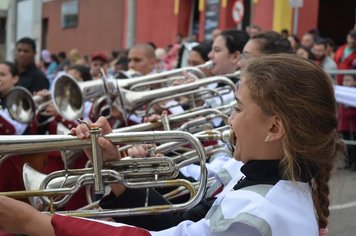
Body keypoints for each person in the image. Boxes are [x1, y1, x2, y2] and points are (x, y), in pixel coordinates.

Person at [0, 53, 343, 236]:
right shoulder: (271, 187)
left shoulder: (256, 213)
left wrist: (36, 224)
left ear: (274, 128)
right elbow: (186, 223)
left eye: (238, 108)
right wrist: (117, 171)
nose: (230, 119)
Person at [337, 74, 356, 171]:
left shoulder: (352, 95)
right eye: (344, 80)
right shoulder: (342, 94)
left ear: (354, 82)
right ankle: (348, 162)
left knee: (353, 146)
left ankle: (354, 163)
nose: (345, 82)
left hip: (353, 126)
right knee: (347, 145)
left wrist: (348, 111)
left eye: (349, 80)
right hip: (344, 125)